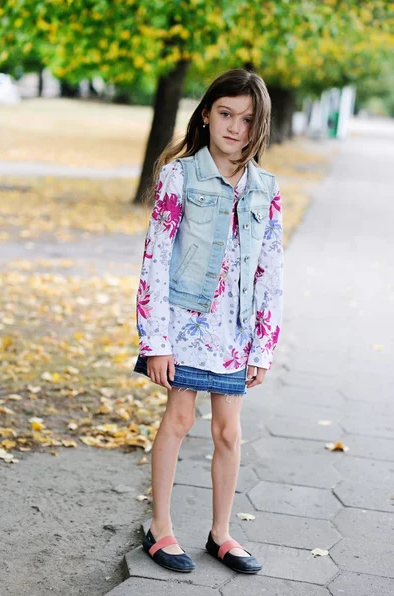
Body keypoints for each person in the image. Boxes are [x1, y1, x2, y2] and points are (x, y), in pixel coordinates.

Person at [131, 68, 284, 574]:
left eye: (246, 119)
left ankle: (220, 533)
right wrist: (155, 341)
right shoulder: (180, 175)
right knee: (178, 419)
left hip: (236, 330)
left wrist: (264, 345)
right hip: (185, 325)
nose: (235, 127)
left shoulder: (267, 189)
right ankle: (161, 525)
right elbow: (154, 259)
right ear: (205, 114)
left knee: (227, 432)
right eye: (225, 114)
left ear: (258, 126)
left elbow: (270, 271)